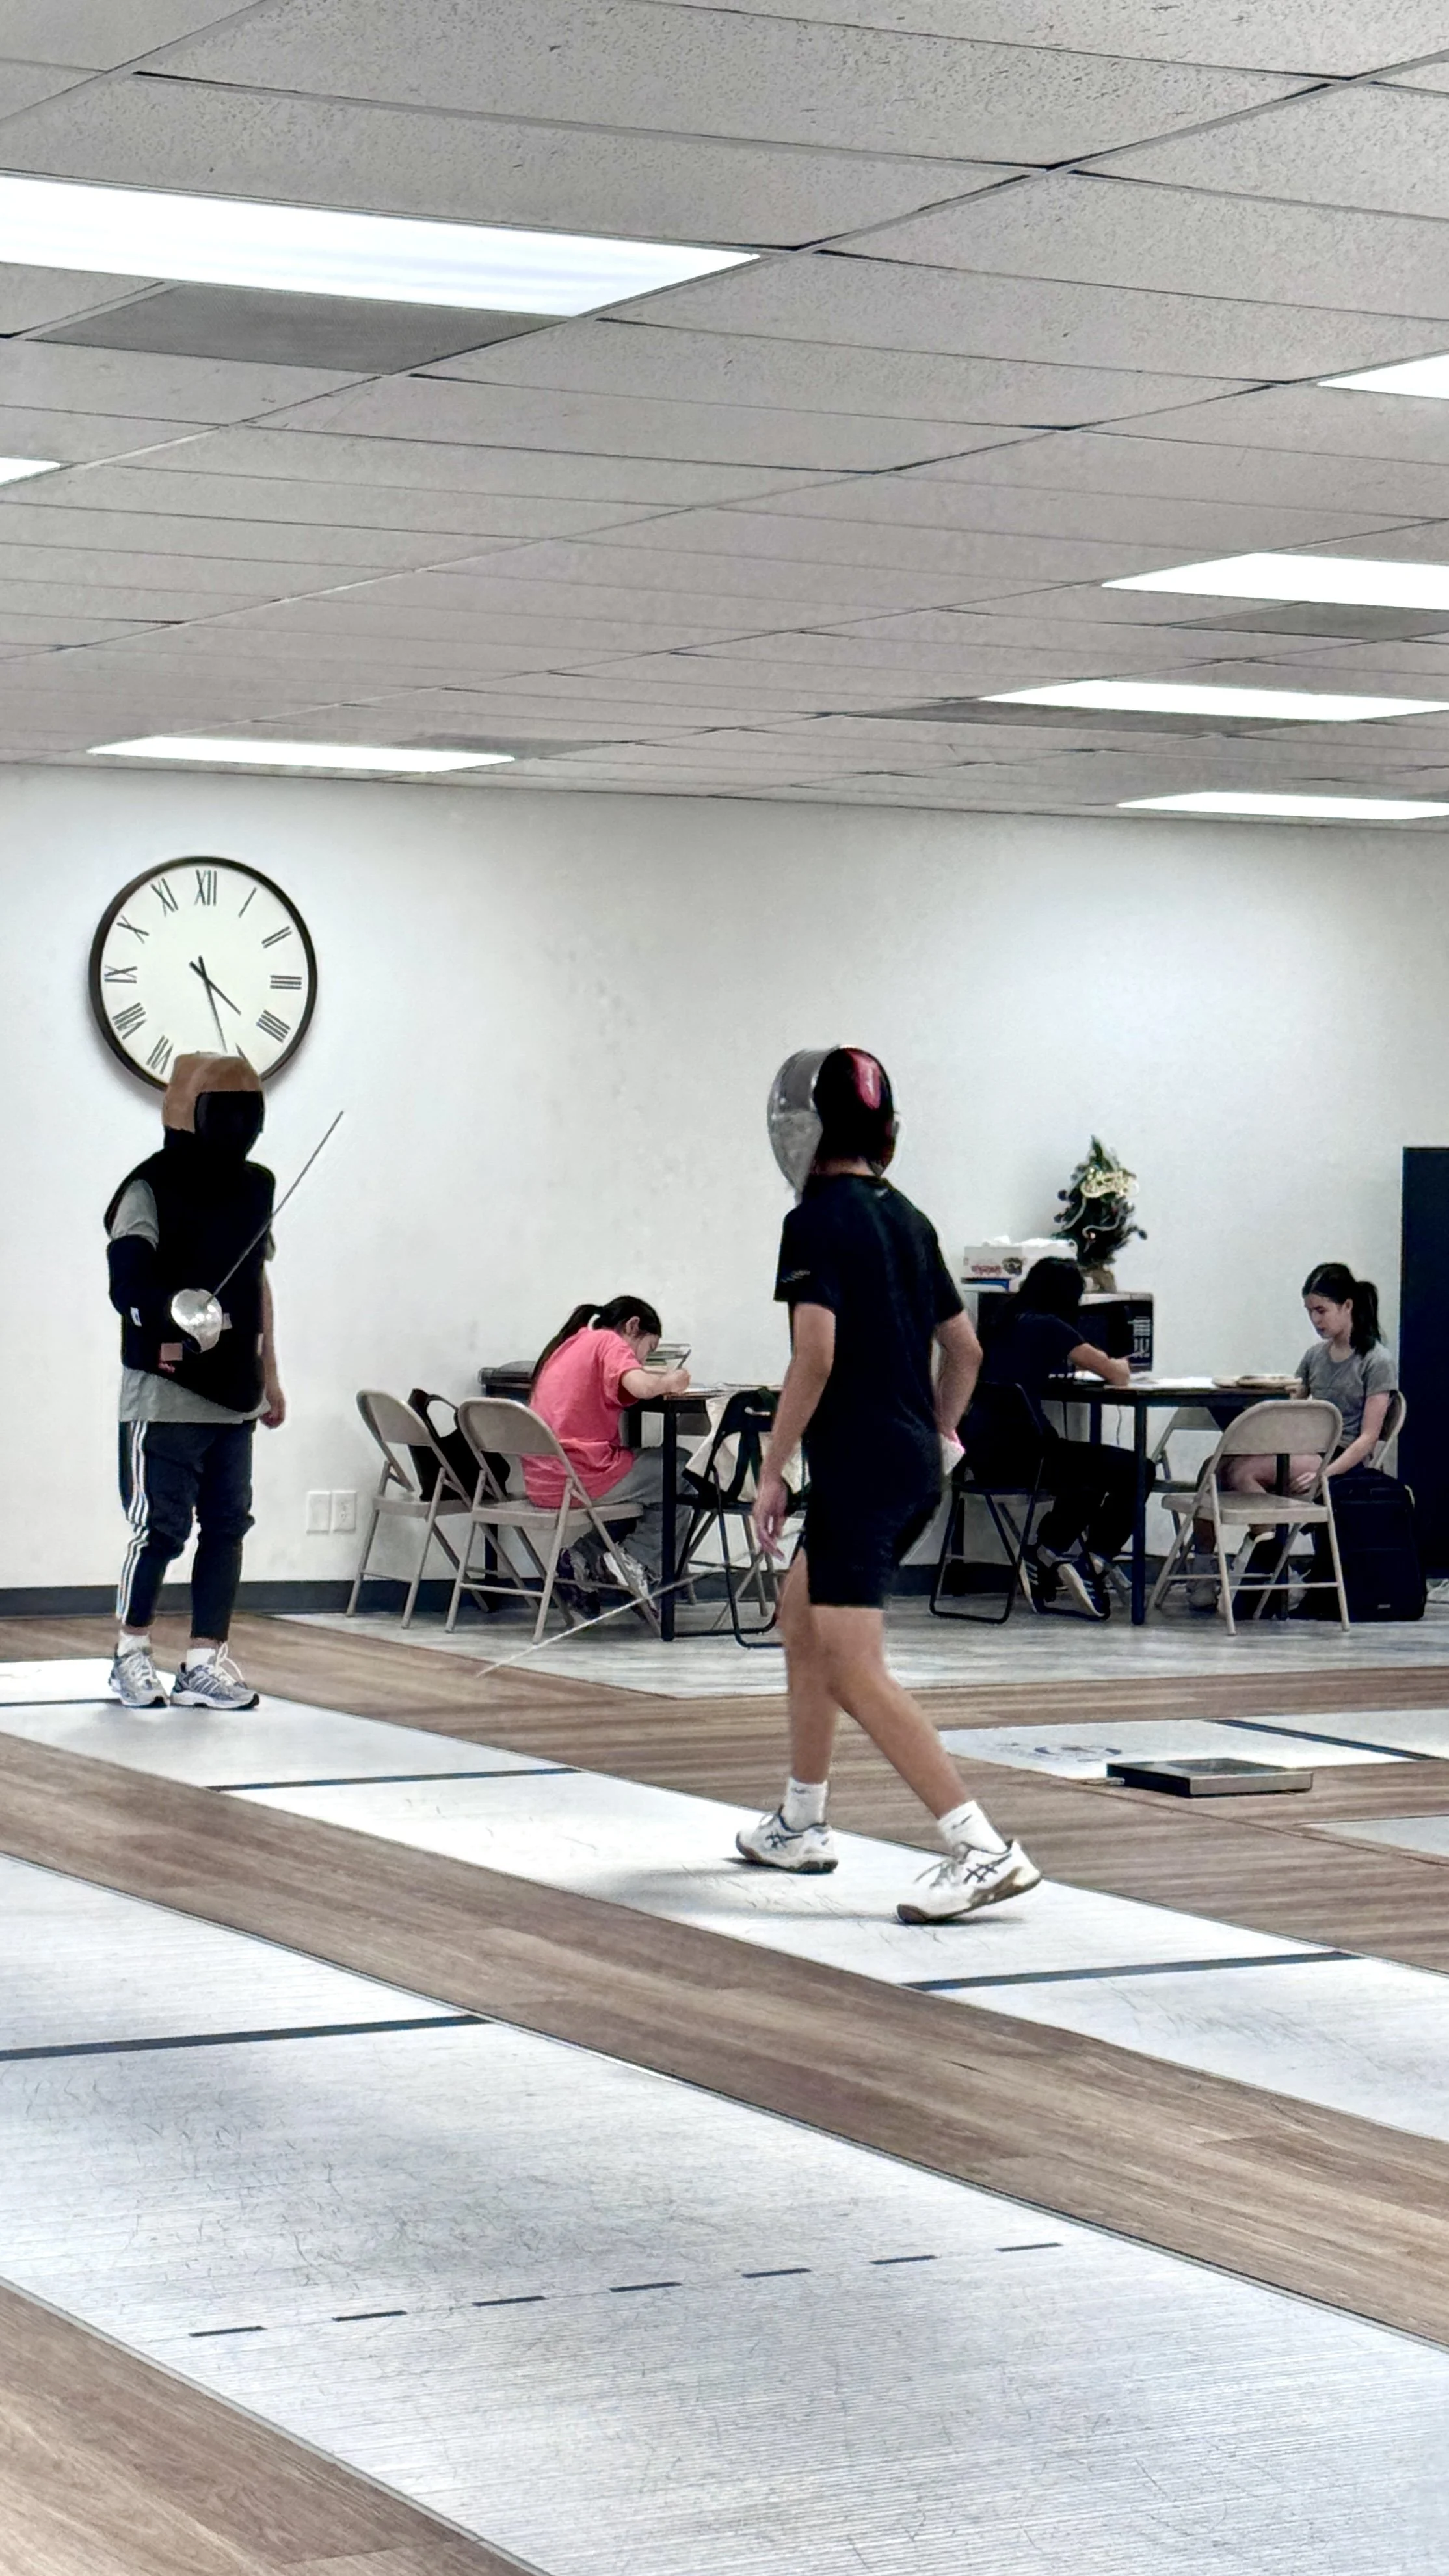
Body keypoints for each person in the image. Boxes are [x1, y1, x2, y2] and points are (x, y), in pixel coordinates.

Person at [738, 1047, 1038, 1923]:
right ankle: (801, 1821)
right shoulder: (908, 1218)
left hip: (861, 1469)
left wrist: (770, 1471)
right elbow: (967, 1350)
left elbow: (815, 1355)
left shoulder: (815, 1220)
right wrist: (940, 1433)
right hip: (906, 1462)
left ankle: (981, 1846)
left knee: (852, 1665)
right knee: (801, 1624)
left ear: (800, 1128)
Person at [105, 1054, 284, 1713]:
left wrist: (270, 1375)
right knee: (160, 1529)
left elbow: (257, 1285)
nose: (237, 1122)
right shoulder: (146, 1188)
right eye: (224, 1107)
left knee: (228, 1526)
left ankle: (204, 1662)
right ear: (189, 1109)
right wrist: (170, 1307)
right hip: (165, 1388)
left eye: (248, 1108)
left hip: (236, 1391)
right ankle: (129, 1654)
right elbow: (125, 1282)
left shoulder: (256, 1187)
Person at [965, 1256, 1138, 1621]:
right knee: (1136, 1470)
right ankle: (1090, 1561)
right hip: (1031, 1455)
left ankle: (1046, 1555)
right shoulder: (1050, 1327)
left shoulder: (998, 1324)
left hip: (983, 1457)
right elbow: (1114, 1373)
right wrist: (1123, 1363)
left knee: (1086, 1480)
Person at [524, 1297, 690, 1598]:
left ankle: (582, 1556)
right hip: (580, 1476)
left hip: (543, 1480)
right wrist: (672, 1380)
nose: (641, 1362)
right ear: (633, 1325)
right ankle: (636, 1561)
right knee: (684, 1471)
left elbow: (629, 1380)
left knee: (648, 1489)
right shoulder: (609, 1342)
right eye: (648, 1350)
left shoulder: (568, 1344)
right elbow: (642, 1387)